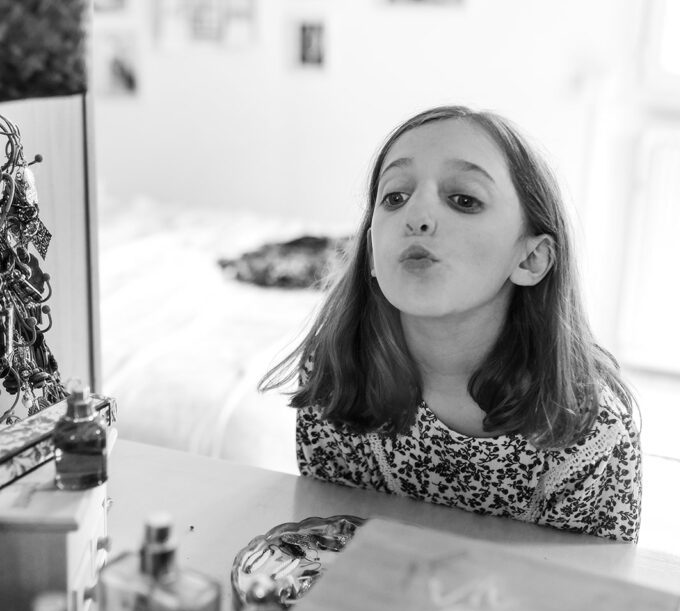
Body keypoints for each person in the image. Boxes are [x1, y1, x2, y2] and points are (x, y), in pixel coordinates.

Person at [260, 105, 641, 542]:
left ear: (531, 258)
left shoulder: (591, 430)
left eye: (464, 199)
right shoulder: (336, 375)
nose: (416, 216)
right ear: (370, 250)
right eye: (395, 196)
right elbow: (327, 549)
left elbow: (598, 591)